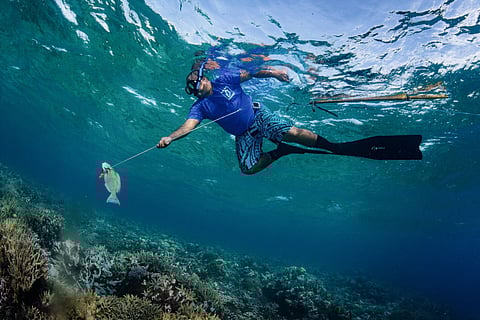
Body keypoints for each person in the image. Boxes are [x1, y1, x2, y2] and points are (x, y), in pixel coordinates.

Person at [157, 60, 422, 175]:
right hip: (243, 135)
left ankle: (333, 147)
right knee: (248, 169)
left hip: (258, 116)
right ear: (192, 90)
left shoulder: (224, 79)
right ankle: (280, 152)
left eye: (199, 77)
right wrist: (170, 137)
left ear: (205, 76)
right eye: (194, 82)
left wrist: (272, 73)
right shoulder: (199, 108)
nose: (198, 81)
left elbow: (251, 74)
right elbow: (188, 127)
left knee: (293, 132)